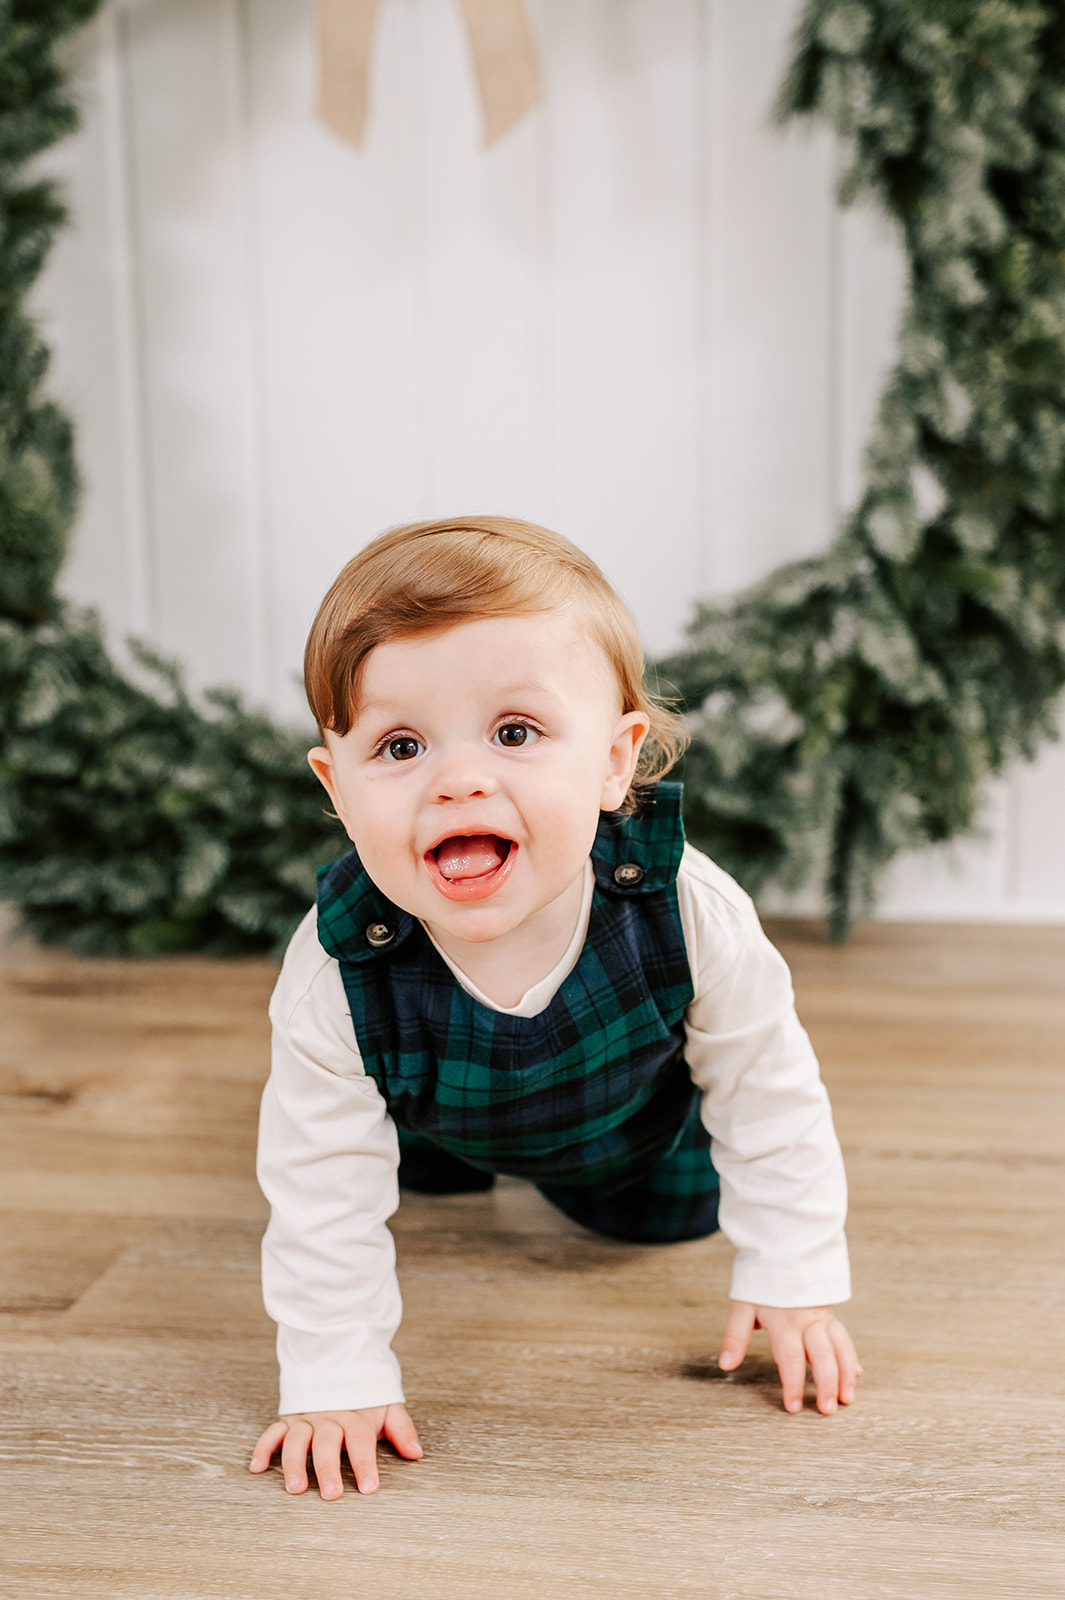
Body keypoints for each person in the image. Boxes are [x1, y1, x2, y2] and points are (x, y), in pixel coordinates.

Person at [249, 515, 860, 1502]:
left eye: (516, 732)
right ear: (337, 786)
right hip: (433, 1112)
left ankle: (609, 1182)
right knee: (379, 1161)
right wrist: (334, 1376)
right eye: (399, 745)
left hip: (628, 1124)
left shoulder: (682, 905)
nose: (459, 778)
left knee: (663, 1219)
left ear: (617, 761)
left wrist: (793, 1266)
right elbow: (318, 1182)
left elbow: (765, 1081)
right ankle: (453, 1156)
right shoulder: (336, 965)